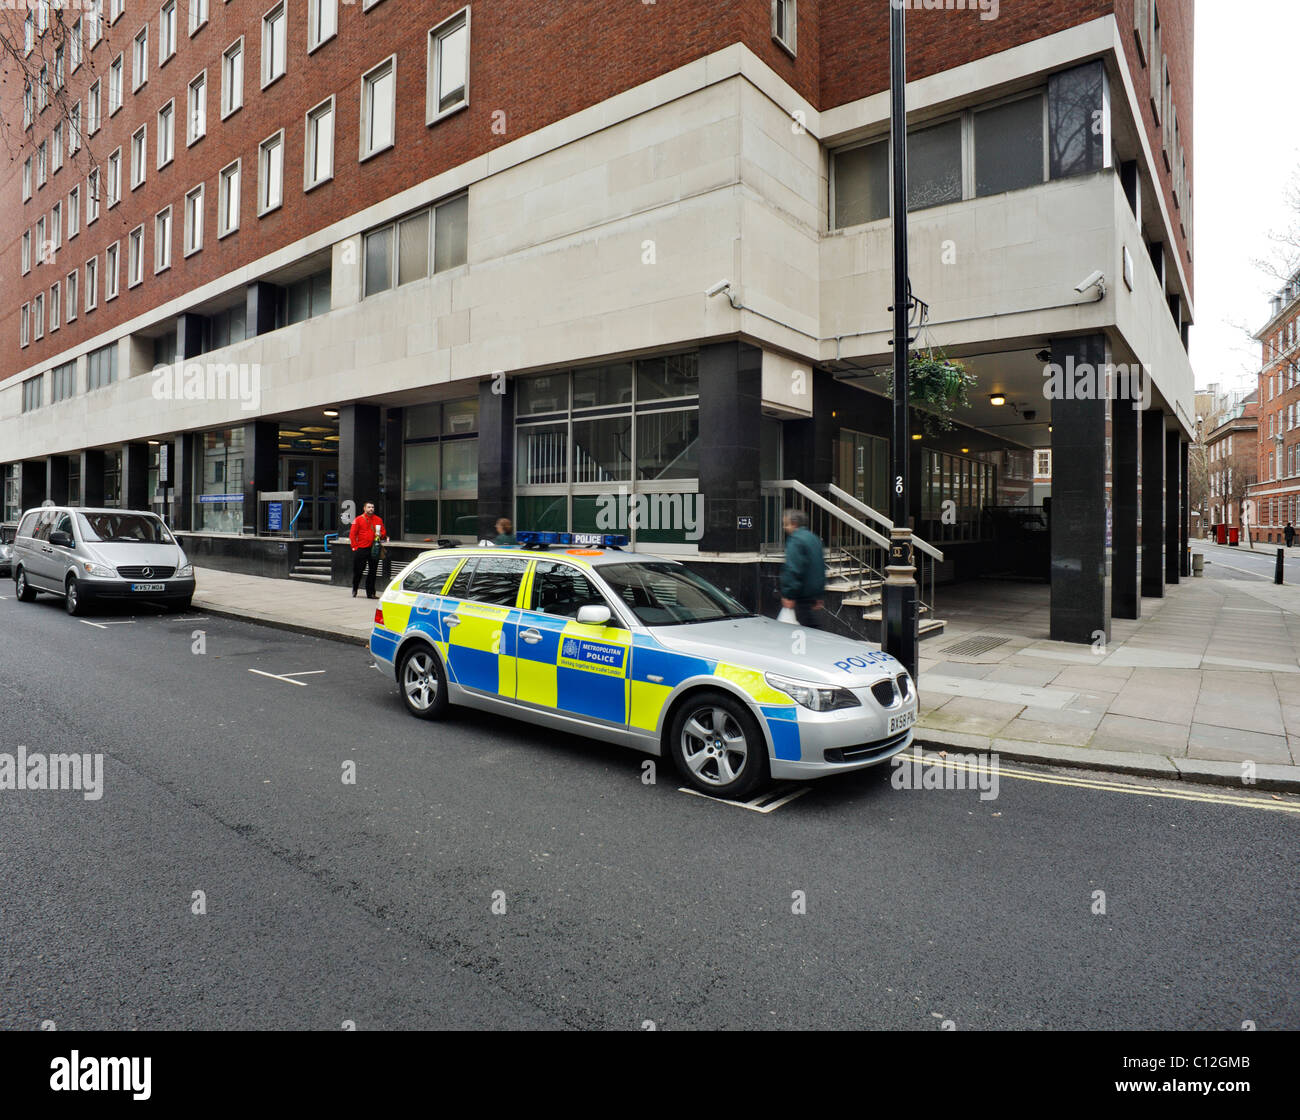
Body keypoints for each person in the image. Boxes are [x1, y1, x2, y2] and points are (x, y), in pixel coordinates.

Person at [780, 508, 825, 629]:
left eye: (786, 524)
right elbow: (820, 568)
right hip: (813, 595)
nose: (784, 528)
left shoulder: (796, 540)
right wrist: (819, 595)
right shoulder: (814, 538)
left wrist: (789, 594)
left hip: (801, 595)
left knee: (805, 631)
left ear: (794, 523)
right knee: (811, 627)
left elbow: (793, 568)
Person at [349, 501, 387, 599]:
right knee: (358, 570)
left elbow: (383, 532)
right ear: (364, 509)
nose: (371, 509)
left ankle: (370, 593)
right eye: (369, 507)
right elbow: (352, 534)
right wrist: (355, 547)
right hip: (361, 548)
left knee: (373, 571)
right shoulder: (358, 519)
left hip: (374, 548)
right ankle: (355, 588)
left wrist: (381, 535)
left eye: (372, 507)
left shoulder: (378, 519)